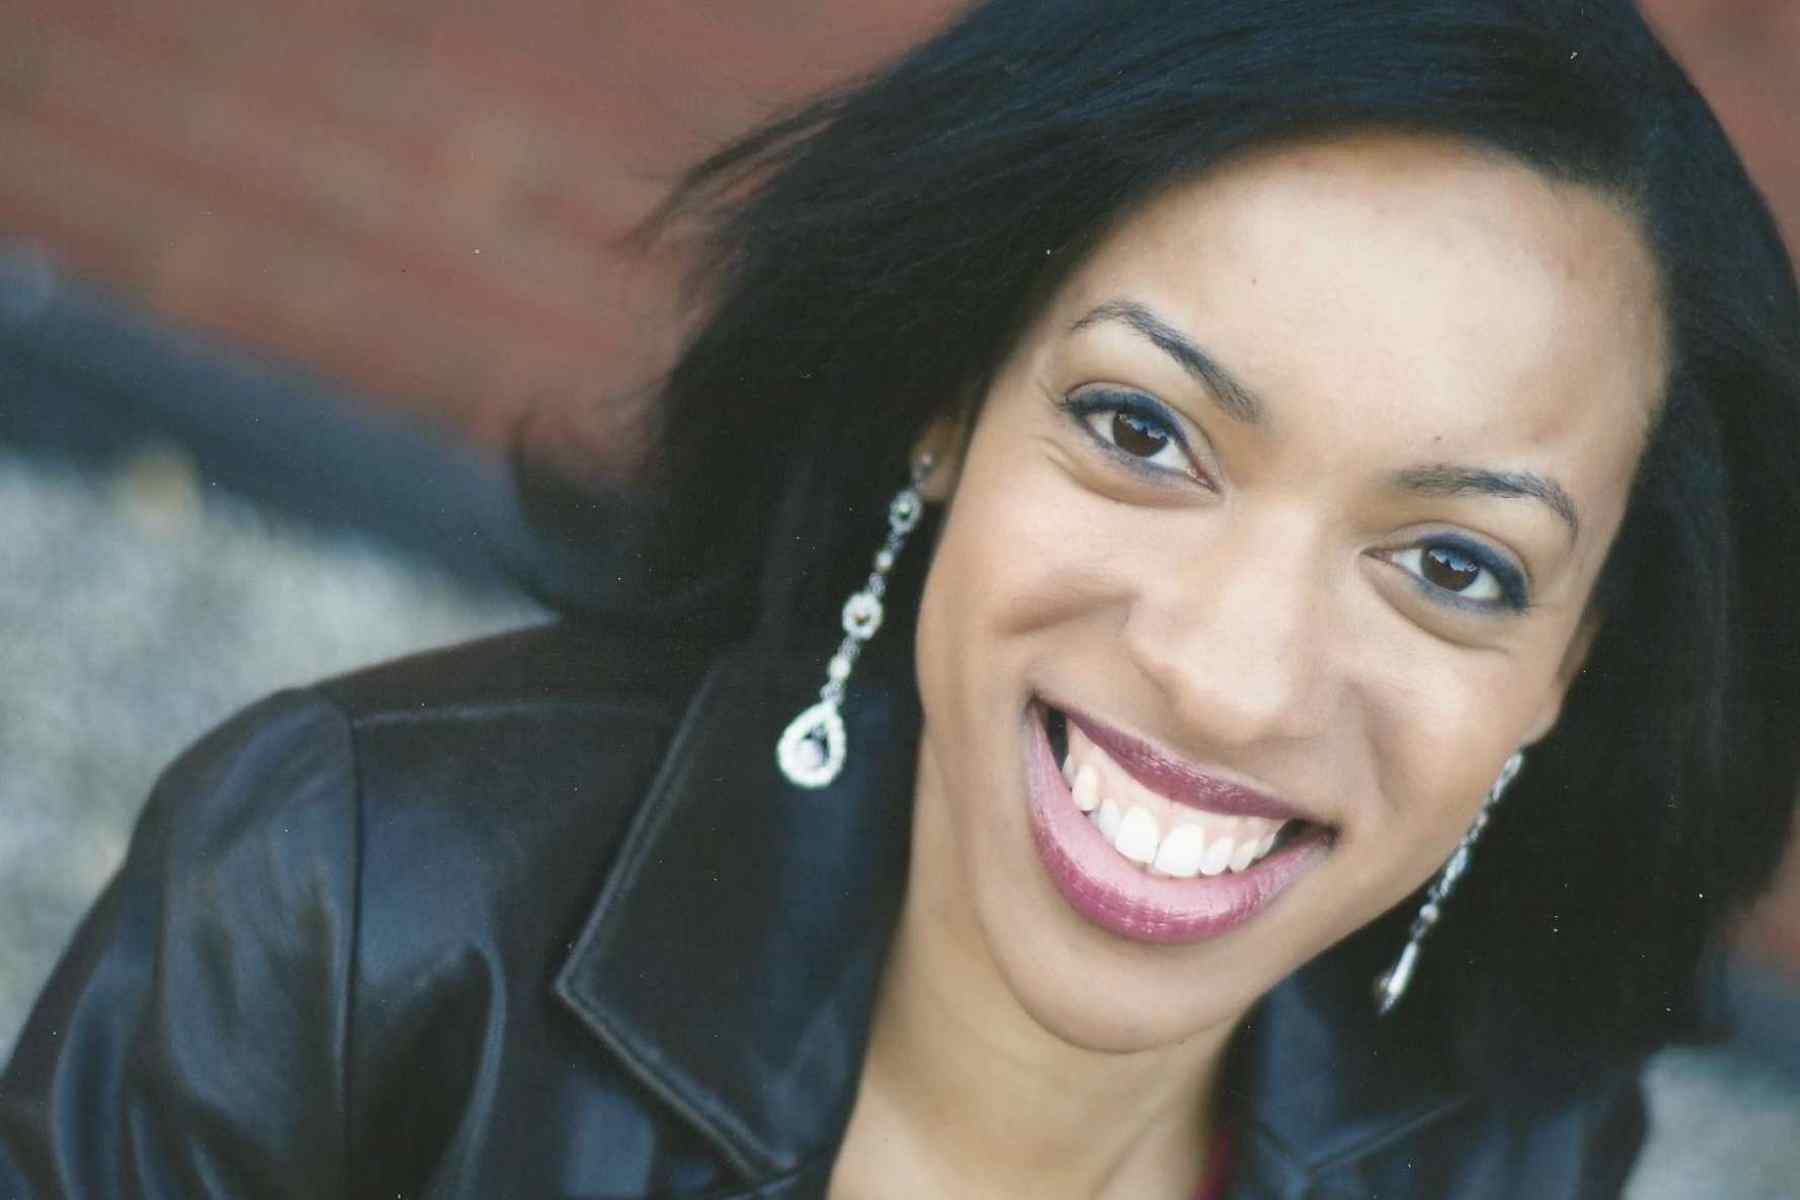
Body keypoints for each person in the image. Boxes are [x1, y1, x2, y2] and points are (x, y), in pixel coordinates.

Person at [4, 0, 1798, 1196]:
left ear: (1575, 664)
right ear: (947, 402)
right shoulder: (348, 913)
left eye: (1457, 566)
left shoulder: (1517, 1142)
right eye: (1141, 431)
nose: (1233, 679)